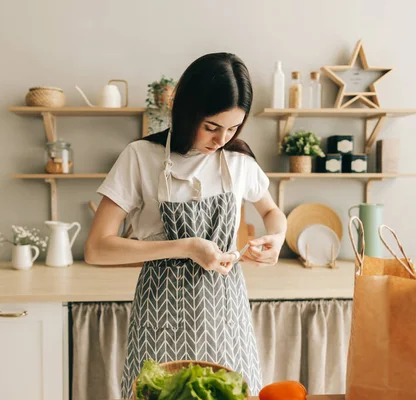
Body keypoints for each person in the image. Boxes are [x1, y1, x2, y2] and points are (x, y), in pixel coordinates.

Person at [84, 52, 287, 399]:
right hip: (160, 316)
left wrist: (278, 237)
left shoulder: (239, 160)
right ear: (187, 109)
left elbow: (271, 211)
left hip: (226, 317)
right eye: (211, 126)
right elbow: (97, 248)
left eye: (233, 127)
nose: (221, 138)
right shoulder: (140, 157)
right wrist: (187, 247)